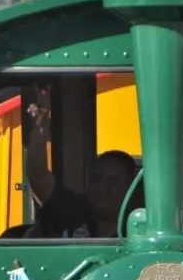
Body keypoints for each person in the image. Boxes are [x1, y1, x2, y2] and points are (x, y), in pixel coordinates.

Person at [25, 87, 136, 238]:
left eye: (113, 182)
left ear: (129, 189)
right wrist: (40, 127)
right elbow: (37, 174)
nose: (102, 187)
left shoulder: (140, 228)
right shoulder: (72, 210)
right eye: (97, 179)